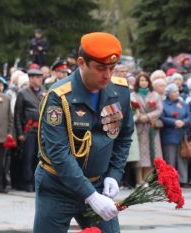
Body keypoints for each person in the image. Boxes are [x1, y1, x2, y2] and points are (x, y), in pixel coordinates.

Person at [33, 32, 133, 233]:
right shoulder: (59, 97)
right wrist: (90, 195)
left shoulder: (119, 91)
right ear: (81, 62)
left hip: (98, 183)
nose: (107, 75)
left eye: (112, 69)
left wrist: (114, 174)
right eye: (100, 68)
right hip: (57, 187)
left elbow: (123, 136)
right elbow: (58, 153)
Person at [15, 68, 45, 192]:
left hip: (41, 130)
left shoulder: (44, 92)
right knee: (28, 157)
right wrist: (20, 132)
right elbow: (18, 114)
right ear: (31, 78)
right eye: (37, 77)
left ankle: (36, 181)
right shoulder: (23, 93)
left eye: (40, 77)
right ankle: (27, 182)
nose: (40, 80)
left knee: (39, 158)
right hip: (29, 130)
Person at [131, 72, 163, 186]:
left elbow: (159, 109)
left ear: (149, 82)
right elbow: (131, 109)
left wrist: (148, 116)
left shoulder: (155, 95)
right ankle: (139, 180)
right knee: (139, 154)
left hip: (151, 127)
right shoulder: (133, 95)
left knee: (151, 153)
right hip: (138, 127)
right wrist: (139, 116)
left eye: (145, 80)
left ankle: (147, 179)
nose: (143, 82)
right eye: (141, 80)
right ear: (138, 82)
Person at [160, 83, 191, 187]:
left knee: (182, 157)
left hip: (182, 134)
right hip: (169, 135)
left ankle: (183, 179)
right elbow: (162, 117)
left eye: (177, 91)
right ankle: (170, 181)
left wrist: (184, 122)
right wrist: (174, 122)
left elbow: (189, 116)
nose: (177, 93)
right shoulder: (163, 104)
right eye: (174, 92)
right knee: (170, 159)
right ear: (168, 93)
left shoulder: (183, 104)